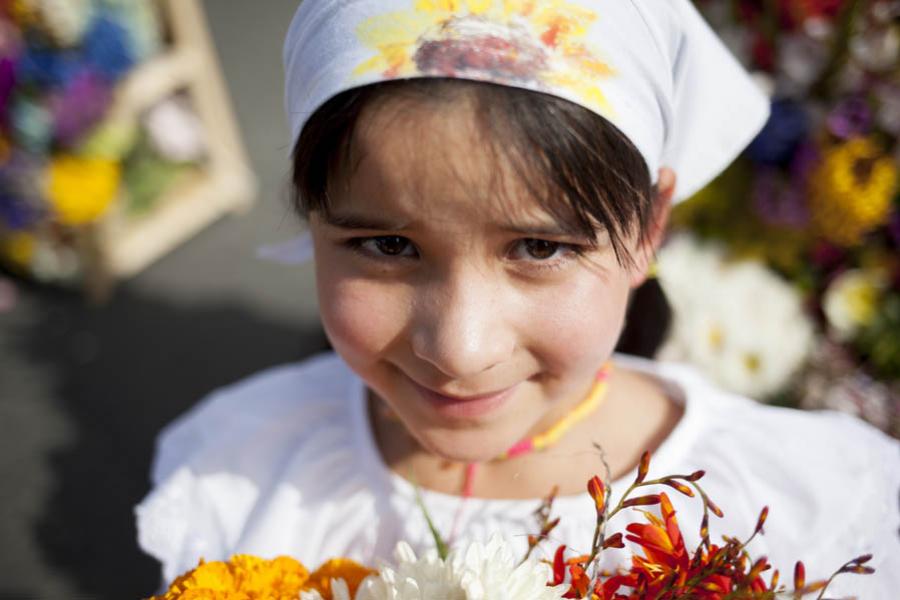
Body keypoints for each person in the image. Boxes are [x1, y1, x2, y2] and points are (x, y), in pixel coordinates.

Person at [136, 0, 900, 596]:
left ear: (648, 227)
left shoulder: (805, 514)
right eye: (388, 246)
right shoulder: (249, 472)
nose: (460, 348)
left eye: (539, 248)